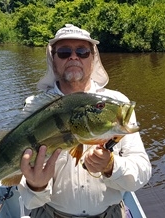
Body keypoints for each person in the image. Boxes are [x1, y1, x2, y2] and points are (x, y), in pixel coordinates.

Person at [18, 24, 151, 218]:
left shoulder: (116, 104)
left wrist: (110, 166)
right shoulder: (35, 107)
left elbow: (142, 172)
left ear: (93, 58)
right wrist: (36, 185)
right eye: (64, 52)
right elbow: (30, 201)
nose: (74, 57)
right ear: (53, 60)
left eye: (82, 51)